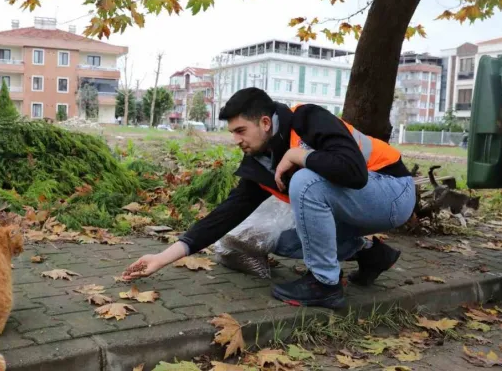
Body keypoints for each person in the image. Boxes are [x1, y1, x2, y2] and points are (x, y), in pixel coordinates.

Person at [122, 88, 416, 309]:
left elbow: (354, 172)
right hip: (358, 208)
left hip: (393, 194)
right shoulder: (261, 163)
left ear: (264, 122)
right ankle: (372, 254)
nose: (236, 140)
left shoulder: (308, 118)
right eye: (232, 132)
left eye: (240, 131)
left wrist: (299, 155)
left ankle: (325, 285)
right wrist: (162, 259)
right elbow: (223, 216)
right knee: (282, 240)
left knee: (304, 179)